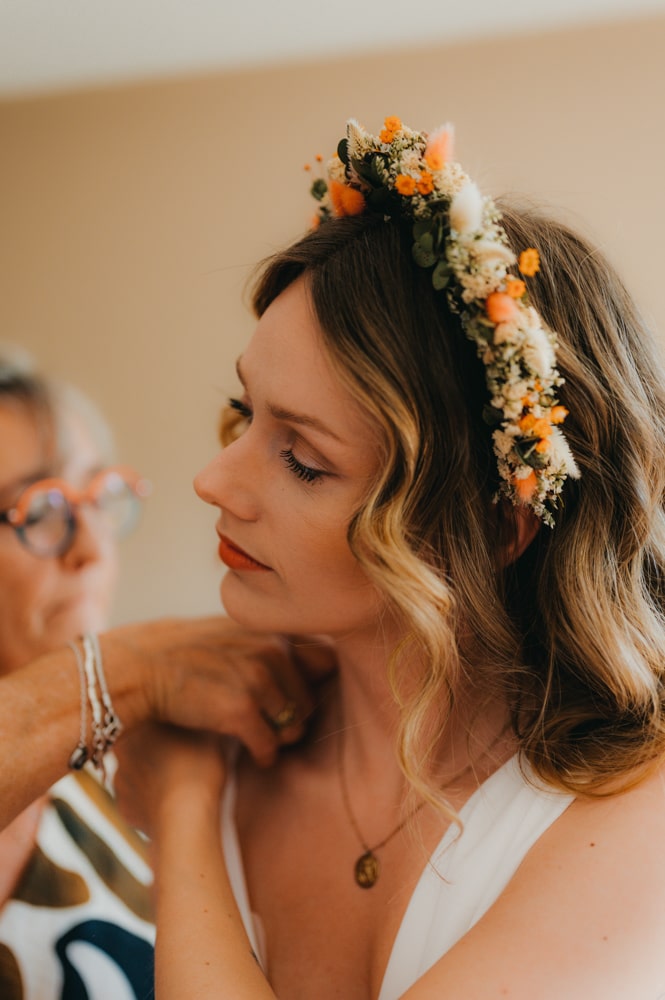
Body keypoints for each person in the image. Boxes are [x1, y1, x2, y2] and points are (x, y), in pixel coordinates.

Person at [114, 115, 665, 999]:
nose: (213, 480)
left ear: (494, 528)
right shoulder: (225, 720)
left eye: (304, 459)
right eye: (242, 410)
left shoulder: (636, 816)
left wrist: (183, 811)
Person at [0, 355, 319, 999]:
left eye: (100, 497)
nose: (91, 549)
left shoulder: (135, 771)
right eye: (40, 512)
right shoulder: (134, 693)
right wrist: (131, 670)